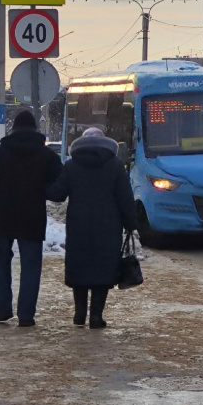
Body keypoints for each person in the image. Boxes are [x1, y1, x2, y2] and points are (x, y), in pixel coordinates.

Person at [0, 111, 62, 327]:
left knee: (0, 261)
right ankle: (26, 315)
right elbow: (58, 187)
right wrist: (42, 190)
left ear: (13, 129)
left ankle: (3, 310)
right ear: (35, 130)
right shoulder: (46, 156)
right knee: (31, 265)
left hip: (2, 216)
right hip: (32, 216)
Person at [46, 127, 136, 329]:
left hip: (79, 225)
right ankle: (96, 316)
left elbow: (58, 193)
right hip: (108, 226)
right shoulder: (115, 165)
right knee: (102, 270)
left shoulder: (71, 165)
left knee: (80, 267)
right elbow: (125, 198)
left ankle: (79, 314)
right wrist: (131, 223)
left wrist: (39, 184)